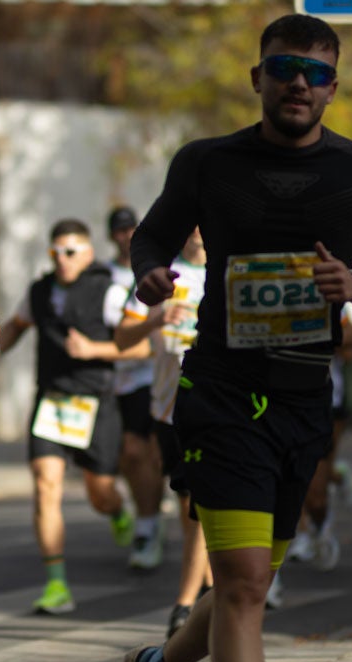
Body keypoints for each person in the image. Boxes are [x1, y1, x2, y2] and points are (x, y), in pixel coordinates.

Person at [117, 15, 352, 662]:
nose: (299, 82)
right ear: (257, 77)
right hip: (219, 392)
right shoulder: (208, 163)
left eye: (316, 72)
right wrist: (151, 274)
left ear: (334, 87)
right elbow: (151, 240)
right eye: (285, 67)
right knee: (248, 586)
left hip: (302, 400)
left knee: (240, 591)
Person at [0, 218, 148, 614]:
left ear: (89, 253)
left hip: (96, 402)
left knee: (100, 492)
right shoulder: (40, 292)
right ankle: (56, 584)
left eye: (71, 252)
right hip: (52, 401)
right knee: (46, 485)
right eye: (56, 252)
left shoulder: (110, 293)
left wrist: (95, 351)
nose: (62, 260)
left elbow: (141, 349)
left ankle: (117, 511)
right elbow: (16, 326)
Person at [115, 228, 213, 638]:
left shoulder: (230, 269)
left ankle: (186, 603)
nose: (198, 234)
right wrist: (158, 316)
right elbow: (122, 338)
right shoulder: (162, 275)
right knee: (192, 510)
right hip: (168, 409)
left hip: (214, 409)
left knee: (201, 505)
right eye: (190, 224)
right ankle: (213, 588)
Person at [104, 206, 167, 570]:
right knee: (130, 456)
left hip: (153, 376)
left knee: (148, 453)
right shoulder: (103, 275)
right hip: (117, 381)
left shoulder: (155, 270)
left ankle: (149, 526)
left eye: (132, 229)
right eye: (120, 230)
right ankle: (148, 519)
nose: (126, 236)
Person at [286, 313, 352, 573]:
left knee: (315, 494)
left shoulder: (321, 295)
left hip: (324, 404)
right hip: (277, 403)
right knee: (287, 474)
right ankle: (301, 532)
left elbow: (351, 341)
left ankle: (320, 519)